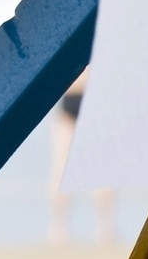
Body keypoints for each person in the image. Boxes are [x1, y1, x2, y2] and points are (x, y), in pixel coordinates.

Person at [48, 71, 117, 246]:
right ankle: (60, 227)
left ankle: (103, 226)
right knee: (62, 168)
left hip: (89, 97)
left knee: (100, 169)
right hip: (77, 97)